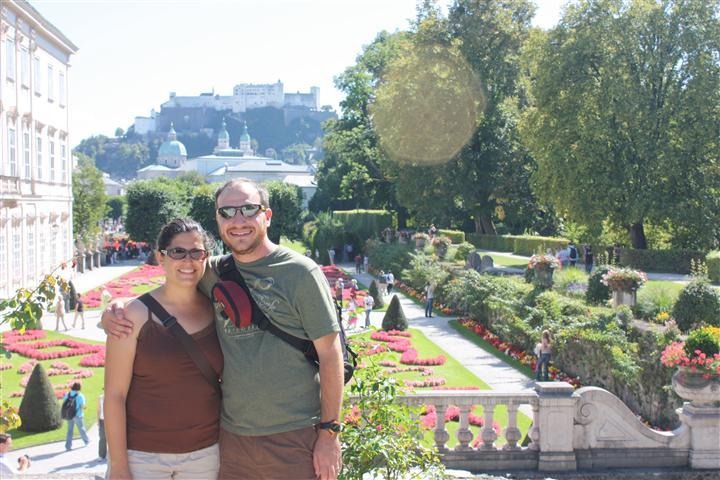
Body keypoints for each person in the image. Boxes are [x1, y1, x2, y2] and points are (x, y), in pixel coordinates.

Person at [103, 178, 344, 480]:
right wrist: (116, 309)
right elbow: (173, 286)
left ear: (267, 216)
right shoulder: (211, 271)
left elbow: (331, 355)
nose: (238, 221)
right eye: (227, 212)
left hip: (293, 437)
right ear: (217, 220)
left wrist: (329, 435)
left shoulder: (300, 272)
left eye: (249, 209)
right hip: (231, 441)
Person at [105, 218, 223, 480]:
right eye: (178, 252)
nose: (188, 261)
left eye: (197, 253)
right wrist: (119, 466)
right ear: (161, 257)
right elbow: (114, 395)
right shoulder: (133, 315)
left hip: (205, 455)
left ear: (206, 257)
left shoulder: (217, 311)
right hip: (143, 459)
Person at [62, 382, 90, 451]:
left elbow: (64, 402)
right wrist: (85, 407)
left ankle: (68, 446)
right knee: (81, 429)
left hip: (69, 415)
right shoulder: (80, 395)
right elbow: (82, 406)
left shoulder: (67, 394)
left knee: (69, 430)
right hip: (78, 415)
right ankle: (86, 441)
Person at [98, 391, 106, 461]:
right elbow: (99, 409)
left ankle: (111, 455)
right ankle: (101, 455)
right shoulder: (100, 397)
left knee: (111, 438)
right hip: (102, 420)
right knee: (102, 438)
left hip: (111, 420)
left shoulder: (112, 397)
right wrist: (98, 420)